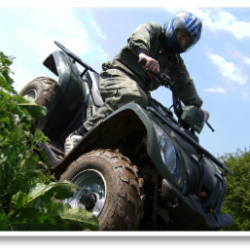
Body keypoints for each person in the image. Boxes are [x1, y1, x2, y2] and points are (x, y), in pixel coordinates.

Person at [64, 11, 210, 155]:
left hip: (142, 90)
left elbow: (185, 83)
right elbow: (139, 36)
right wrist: (143, 54)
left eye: (187, 40)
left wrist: (198, 109)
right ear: (173, 26)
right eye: (182, 34)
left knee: (162, 119)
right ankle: (80, 134)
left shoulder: (176, 62)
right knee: (133, 96)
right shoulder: (155, 30)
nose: (182, 41)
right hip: (119, 73)